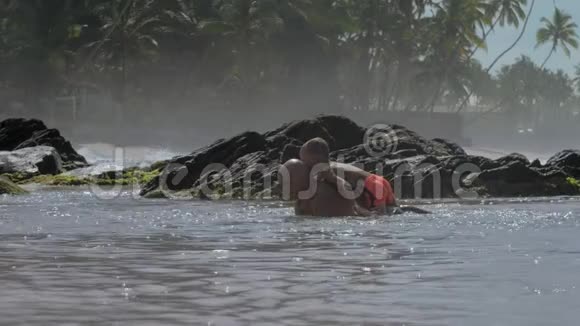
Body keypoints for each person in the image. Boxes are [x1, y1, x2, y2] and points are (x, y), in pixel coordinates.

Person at [299, 138, 430, 215]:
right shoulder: (333, 164)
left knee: (380, 216)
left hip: (372, 186)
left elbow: (346, 188)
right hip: (378, 180)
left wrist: (358, 210)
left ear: (314, 159)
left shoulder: (324, 169)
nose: (303, 164)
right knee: (397, 211)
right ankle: (426, 214)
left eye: (304, 160)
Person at [278, 159, 368, 217]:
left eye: (287, 184)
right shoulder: (301, 200)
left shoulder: (321, 195)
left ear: (301, 179)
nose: (283, 190)